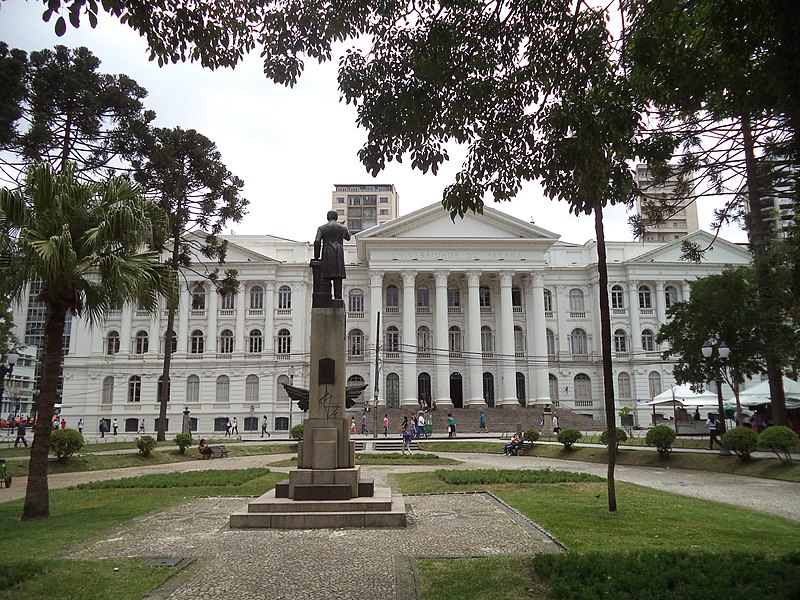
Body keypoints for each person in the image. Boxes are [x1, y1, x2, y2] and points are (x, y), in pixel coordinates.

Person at [314, 210, 351, 301]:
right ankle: (338, 299)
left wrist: (316, 256)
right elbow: (348, 237)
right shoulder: (342, 228)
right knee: (338, 277)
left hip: (327, 253)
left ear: (327, 217)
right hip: (338, 254)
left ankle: (326, 297)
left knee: (326, 277)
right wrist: (342, 226)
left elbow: (317, 241)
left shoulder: (322, 228)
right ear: (336, 217)